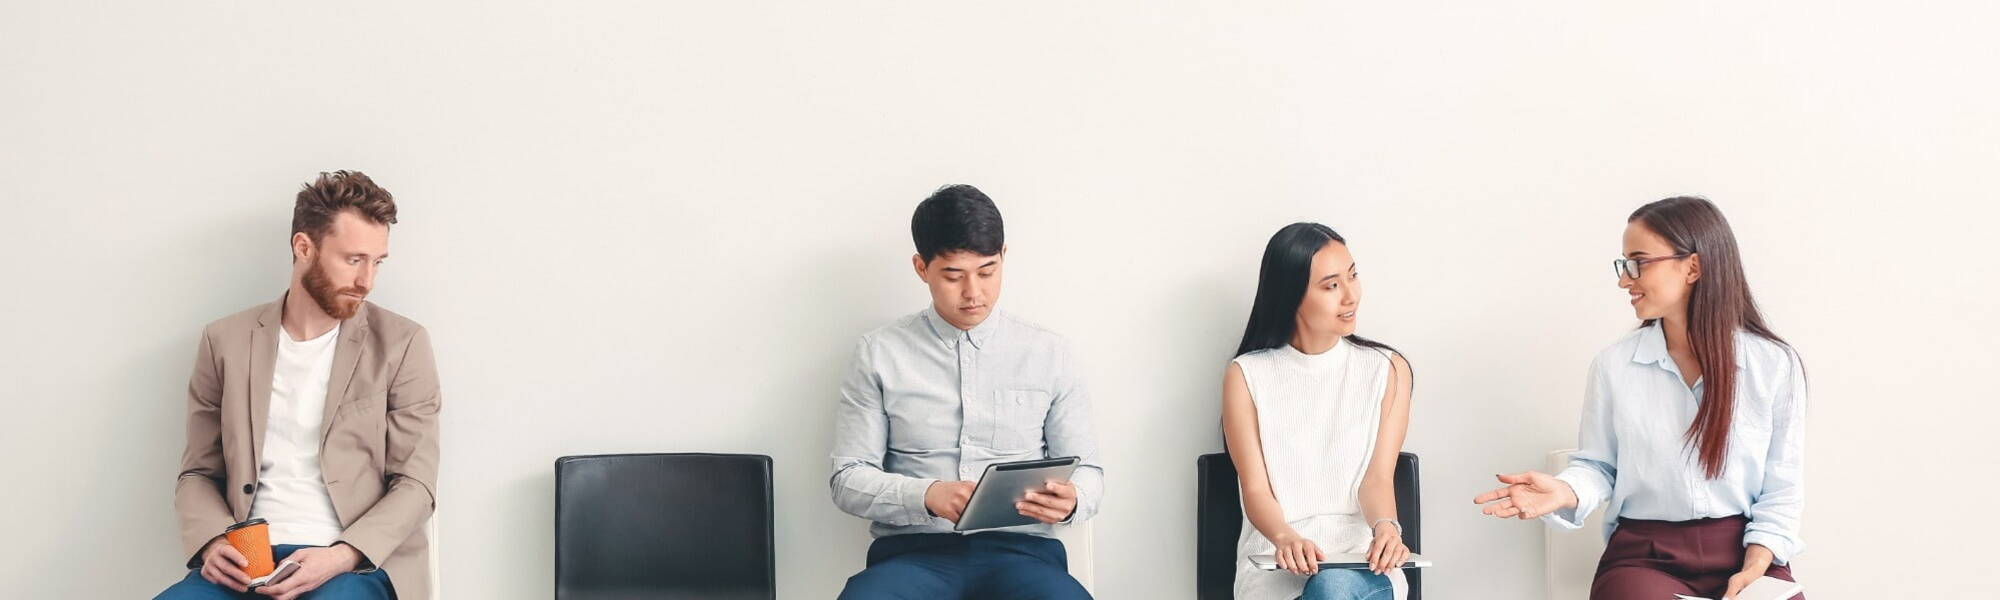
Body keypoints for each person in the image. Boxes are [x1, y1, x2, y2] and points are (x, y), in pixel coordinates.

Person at [1473, 197, 1807, 600]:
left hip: (1747, 551)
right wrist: (1565, 491)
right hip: (1645, 555)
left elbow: (1781, 486)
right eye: (1623, 264)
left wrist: (1756, 565)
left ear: (1693, 267)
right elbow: (1600, 466)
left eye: (1638, 262)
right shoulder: (1614, 366)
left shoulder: (1773, 364)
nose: (1624, 280)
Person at [156, 171, 441, 600]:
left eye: (377, 261)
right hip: (247, 562)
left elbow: (416, 483)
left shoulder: (402, 344)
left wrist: (343, 554)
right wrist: (214, 541)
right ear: (303, 247)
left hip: (353, 565)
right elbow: (198, 470)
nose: (367, 280)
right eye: (353, 259)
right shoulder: (225, 341)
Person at [829, 184, 1102, 599]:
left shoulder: (1050, 353)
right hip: (911, 555)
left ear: (1004, 257)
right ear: (922, 268)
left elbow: (1090, 472)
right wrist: (927, 494)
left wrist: (1074, 499)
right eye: (954, 275)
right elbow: (847, 479)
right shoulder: (878, 353)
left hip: (1023, 553)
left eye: (988, 272)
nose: (974, 293)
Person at [1223, 223, 1414, 600]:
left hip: (1364, 567)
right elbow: (1257, 490)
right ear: (1291, 296)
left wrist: (1388, 528)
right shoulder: (1246, 375)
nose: (1351, 296)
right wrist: (1285, 537)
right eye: (1331, 285)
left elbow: (1376, 478)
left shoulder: (1387, 369)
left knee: (1332, 587)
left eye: (1353, 276)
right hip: (1275, 563)